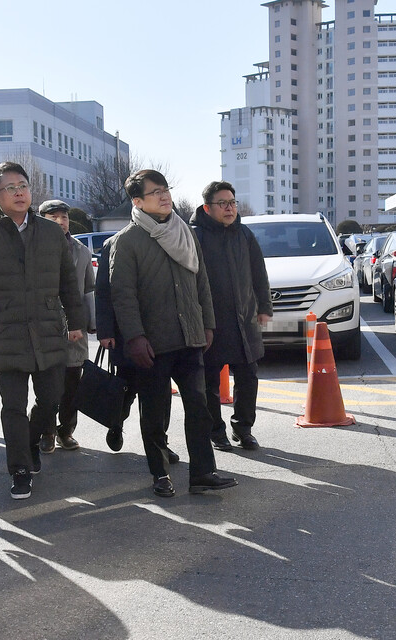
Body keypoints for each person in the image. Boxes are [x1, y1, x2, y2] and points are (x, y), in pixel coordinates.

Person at [0, 162, 86, 500]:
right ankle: (20, 469)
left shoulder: (51, 231)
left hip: (47, 330)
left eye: (23, 185)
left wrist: (76, 322)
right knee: (13, 406)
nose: (18, 192)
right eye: (10, 187)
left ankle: (29, 444)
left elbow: (68, 283)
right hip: (5, 332)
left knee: (51, 401)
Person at [109, 169, 236, 498]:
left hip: (189, 336)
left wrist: (207, 323)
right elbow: (123, 296)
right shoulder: (127, 241)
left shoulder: (185, 232)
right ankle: (160, 473)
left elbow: (201, 281)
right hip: (153, 343)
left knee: (198, 407)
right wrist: (135, 338)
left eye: (165, 189)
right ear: (138, 201)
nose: (164, 196)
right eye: (155, 192)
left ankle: (203, 473)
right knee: (154, 412)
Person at [190, 181, 272, 451]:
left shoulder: (244, 235)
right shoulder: (195, 237)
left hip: (244, 319)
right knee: (210, 381)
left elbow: (258, 274)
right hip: (211, 322)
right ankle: (216, 431)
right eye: (223, 203)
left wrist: (263, 308)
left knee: (248, 377)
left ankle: (243, 428)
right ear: (207, 208)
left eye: (233, 203)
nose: (229, 208)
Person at [95, 236, 178, 462]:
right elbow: (103, 290)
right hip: (126, 333)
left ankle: (160, 444)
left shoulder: (167, 239)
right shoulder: (114, 244)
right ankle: (116, 422)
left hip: (161, 333)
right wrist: (105, 331)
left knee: (161, 394)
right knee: (126, 389)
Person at [37, 199, 95, 453]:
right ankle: (46, 431)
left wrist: (91, 324)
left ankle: (66, 430)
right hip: (44, 329)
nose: (61, 222)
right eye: (53, 218)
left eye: (64, 217)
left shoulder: (82, 250)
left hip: (75, 330)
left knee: (72, 386)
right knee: (48, 388)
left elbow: (88, 289)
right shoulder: (34, 247)